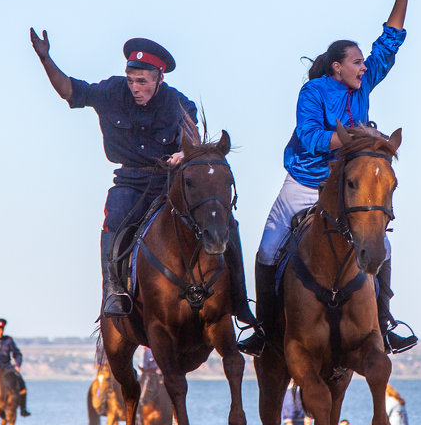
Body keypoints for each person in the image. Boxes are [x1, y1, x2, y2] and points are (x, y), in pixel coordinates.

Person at [238, 0, 415, 357]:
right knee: (267, 250)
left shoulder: (364, 81)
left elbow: (389, 41)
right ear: (337, 68)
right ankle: (264, 331)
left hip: (345, 188)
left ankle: (383, 326)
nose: (363, 66)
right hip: (305, 182)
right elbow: (310, 136)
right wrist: (352, 137)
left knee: (383, 249)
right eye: (356, 62)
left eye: (362, 63)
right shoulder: (314, 92)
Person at [29, 27, 254, 326]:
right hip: (130, 182)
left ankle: (240, 302)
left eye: (143, 81)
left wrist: (185, 154)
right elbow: (70, 90)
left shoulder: (178, 103)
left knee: (225, 221)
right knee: (115, 216)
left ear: (159, 79)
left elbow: (192, 138)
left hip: (168, 183)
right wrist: (46, 59)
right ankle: (112, 291)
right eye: (132, 80)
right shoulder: (111, 91)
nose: (135, 87)